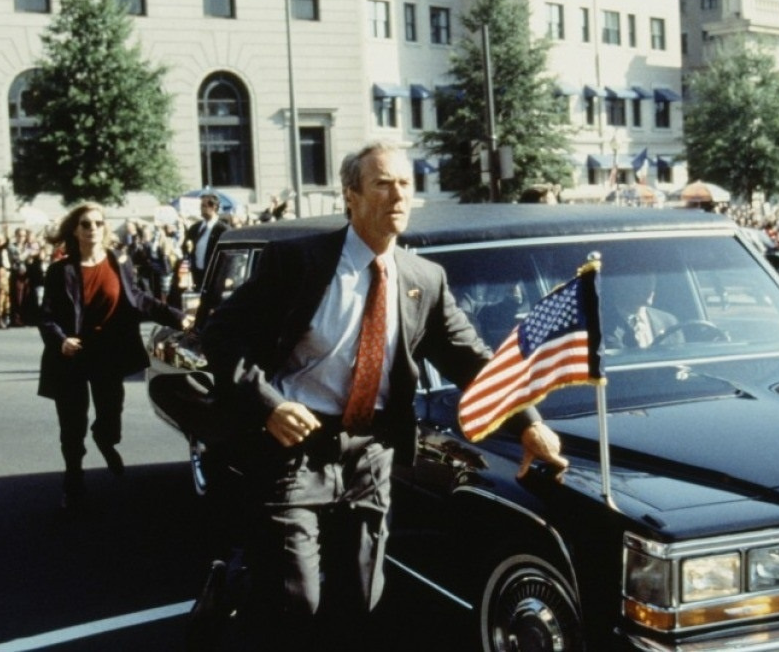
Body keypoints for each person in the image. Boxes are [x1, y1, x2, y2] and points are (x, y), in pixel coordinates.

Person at [200, 143, 567, 650]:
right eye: (382, 184)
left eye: (405, 184)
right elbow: (221, 335)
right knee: (294, 600)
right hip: (294, 449)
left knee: (362, 599)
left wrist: (529, 423)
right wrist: (269, 405)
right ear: (351, 196)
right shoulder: (299, 263)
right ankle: (237, 589)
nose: (398, 196)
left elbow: (472, 360)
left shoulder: (423, 279)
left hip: (369, 453)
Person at [37, 203, 190, 510]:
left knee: (110, 416)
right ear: (75, 230)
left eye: (98, 223)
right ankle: (73, 482)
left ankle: (104, 439)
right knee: (72, 424)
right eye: (85, 224)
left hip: (108, 353)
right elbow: (46, 316)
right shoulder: (61, 270)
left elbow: (139, 299)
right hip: (71, 356)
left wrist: (178, 317)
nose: (92, 228)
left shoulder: (119, 262)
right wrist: (61, 341)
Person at [184, 192, 227, 289]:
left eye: (204, 206)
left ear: (214, 207)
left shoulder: (222, 230)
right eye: (201, 206)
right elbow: (185, 247)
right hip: (197, 274)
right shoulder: (195, 228)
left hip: (214, 275)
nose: (201, 208)